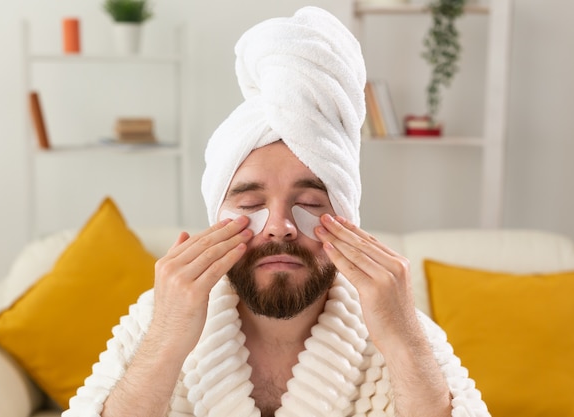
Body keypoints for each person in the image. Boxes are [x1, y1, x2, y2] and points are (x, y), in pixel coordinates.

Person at [63, 7, 489, 417]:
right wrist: (168, 339)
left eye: (309, 204)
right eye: (250, 204)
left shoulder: (402, 327)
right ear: (216, 220)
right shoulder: (159, 318)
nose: (280, 227)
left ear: (347, 219)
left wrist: (403, 342)